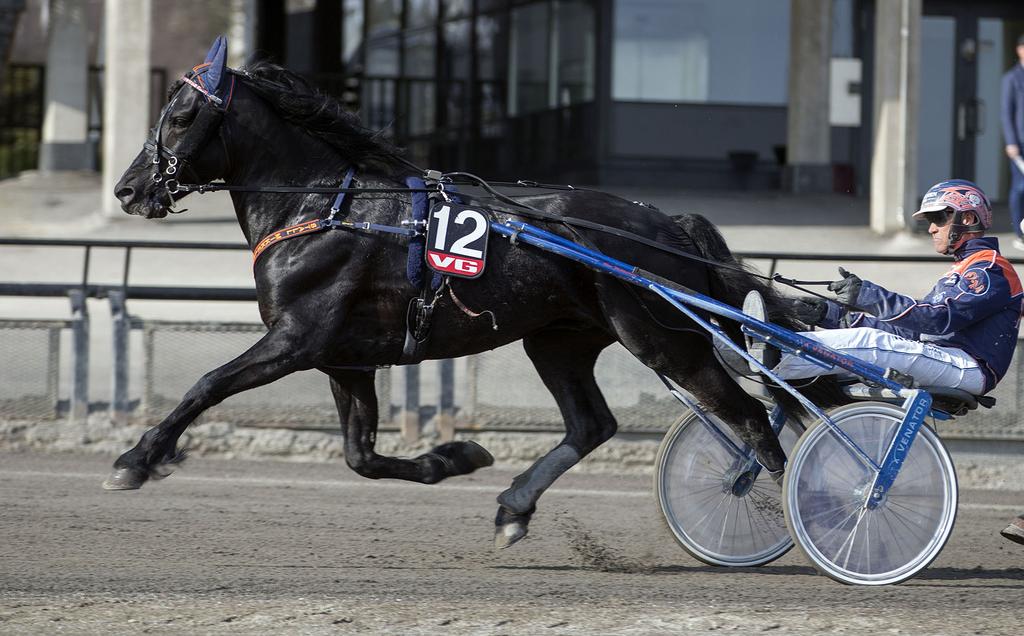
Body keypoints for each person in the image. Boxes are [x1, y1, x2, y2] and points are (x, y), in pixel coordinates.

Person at [746, 179, 1024, 546]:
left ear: (968, 218)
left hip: (968, 368)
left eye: (940, 217)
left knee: (871, 343)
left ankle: (775, 357)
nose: (932, 227)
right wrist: (832, 314)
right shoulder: (965, 269)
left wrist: (868, 295)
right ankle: (775, 357)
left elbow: (936, 319)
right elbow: (909, 335)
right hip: (949, 358)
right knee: (875, 341)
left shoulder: (990, 269)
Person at [1001, 33, 1024, 251]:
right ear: (1019, 50)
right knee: (1020, 188)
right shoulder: (1012, 78)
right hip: (1020, 145)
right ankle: (1020, 232)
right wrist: (1011, 142)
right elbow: (1006, 113)